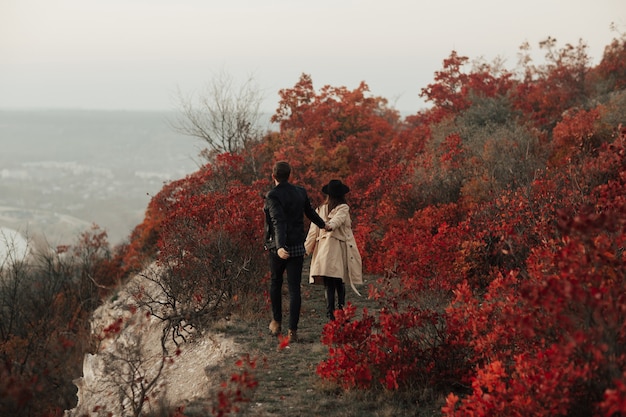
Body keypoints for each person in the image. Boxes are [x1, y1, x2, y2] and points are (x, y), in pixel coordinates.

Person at [263, 161, 328, 342]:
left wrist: (280, 246)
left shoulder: (272, 195)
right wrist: (324, 224)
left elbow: (278, 221)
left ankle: (276, 322)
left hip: (279, 247)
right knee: (294, 289)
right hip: (298, 245)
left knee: (276, 282)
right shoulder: (300, 192)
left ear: (273, 176)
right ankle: (293, 331)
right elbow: (309, 212)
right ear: (289, 175)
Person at [305, 179, 363, 321]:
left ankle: (331, 313)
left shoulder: (320, 209)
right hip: (337, 249)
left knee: (329, 283)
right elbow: (337, 221)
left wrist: (306, 249)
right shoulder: (343, 208)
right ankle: (341, 312)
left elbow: (313, 232)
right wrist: (329, 226)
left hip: (323, 251)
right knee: (338, 281)